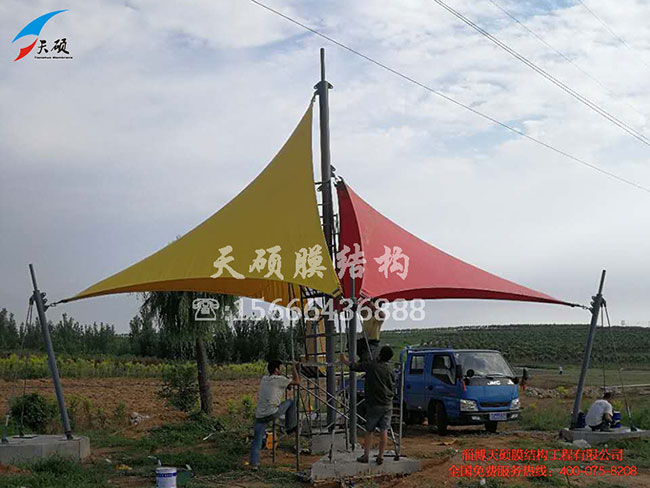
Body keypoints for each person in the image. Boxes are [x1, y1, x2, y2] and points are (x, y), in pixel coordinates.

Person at [341, 345, 395, 465]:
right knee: (384, 430)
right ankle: (380, 456)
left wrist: (345, 361)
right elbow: (392, 386)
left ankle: (366, 456)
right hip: (387, 404)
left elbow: (357, 366)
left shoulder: (372, 366)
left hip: (374, 404)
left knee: (369, 430)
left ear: (380, 354)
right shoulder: (390, 370)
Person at [249, 359, 301, 468]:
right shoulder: (279, 379)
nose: (282, 370)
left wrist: (287, 383)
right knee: (291, 402)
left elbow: (284, 386)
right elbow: (297, 382)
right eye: (281, 368)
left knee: (257, 440)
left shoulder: (264, 379)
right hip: (272, 412)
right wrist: (294, 368)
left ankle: (254, 464)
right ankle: (290, 427)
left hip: (260, 415)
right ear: (277, 369)